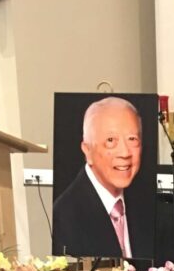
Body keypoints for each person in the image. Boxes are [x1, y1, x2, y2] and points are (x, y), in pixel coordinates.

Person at [53, 96, 149, 259]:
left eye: (132, 139)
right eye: (111, 141)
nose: (125, 153)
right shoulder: (64, 216)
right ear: (87, 150)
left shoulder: (145, 203)